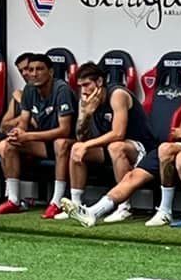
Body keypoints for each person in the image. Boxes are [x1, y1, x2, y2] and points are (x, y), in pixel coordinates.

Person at [93, 57, 181, 227]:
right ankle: (95, 211)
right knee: (134, 176)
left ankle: (165, 210)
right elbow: (179, 132)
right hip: (180, 148)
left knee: (166, 149)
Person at [0, 52, 77, 217]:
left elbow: (64, 130)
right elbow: (24, 120)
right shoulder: (29, 89)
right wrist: (18, 132)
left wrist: (28, 136)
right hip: (43, 143)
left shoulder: (61, 89)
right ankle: (14, 200)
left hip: (67, 143)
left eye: (39, 69)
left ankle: (56, 201)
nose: (34, 73)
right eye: (30, 70)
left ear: (50, 72)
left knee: (61, 143)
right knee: (7, 145)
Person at [66, 64, 154, 215]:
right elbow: (80, 137)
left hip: (141, 148)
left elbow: (118, 133)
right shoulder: (87, 99)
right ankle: (76, 205)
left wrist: (87, 144)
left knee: (116, 147)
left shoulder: (117, 94)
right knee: (76, 148)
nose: (84, 90)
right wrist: (85, 115)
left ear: (99, 82)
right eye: (80, 86)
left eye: (87, 85)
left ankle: (124, 206)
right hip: (109, 148)